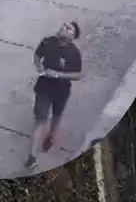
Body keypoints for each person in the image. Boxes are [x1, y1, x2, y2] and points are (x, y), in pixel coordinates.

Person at [25, 21, 83, 170]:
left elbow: (78, 75)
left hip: (61, 91)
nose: (64, 28)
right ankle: (32, 156)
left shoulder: (74, 53)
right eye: (64, 25)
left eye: (68, 28)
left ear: (72, 37)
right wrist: (39, 68)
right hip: (43, 88)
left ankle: (50, 136)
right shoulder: (47, 42)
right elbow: (37, 56)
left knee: (56, 116)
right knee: (40, 120)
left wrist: (58, 75)